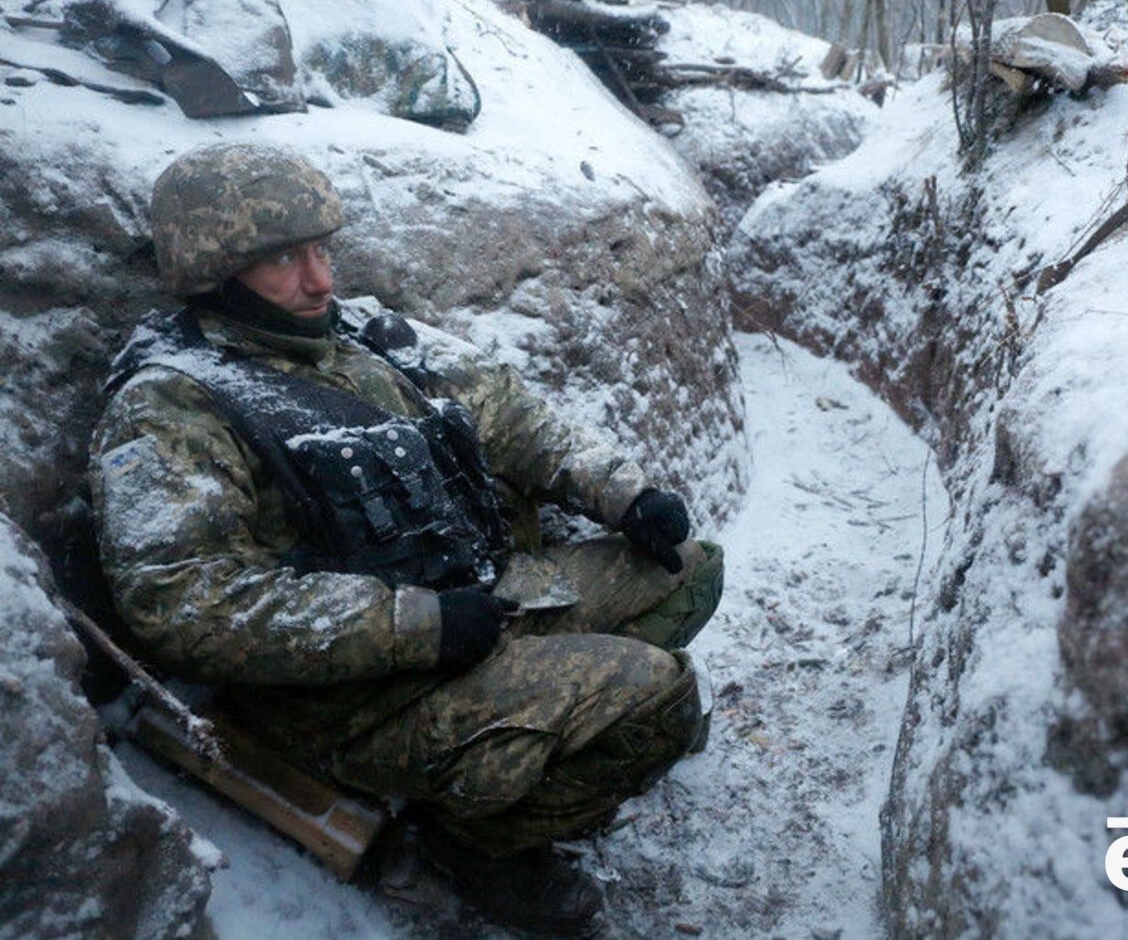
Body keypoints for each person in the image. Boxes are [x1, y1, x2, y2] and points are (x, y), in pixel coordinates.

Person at [90, 142, 725, 936]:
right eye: (283, 260)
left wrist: (623, 493)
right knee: (660, 693)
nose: (319, 280)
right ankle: (475, 842)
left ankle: (556, 746)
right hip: (356, 695)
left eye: (321, 250)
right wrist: (415, 625)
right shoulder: (172, 406)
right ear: (214, 273)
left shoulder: (363, 334)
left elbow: (512, 414)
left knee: (692, 569)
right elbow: (185, 603)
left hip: (475, 599)